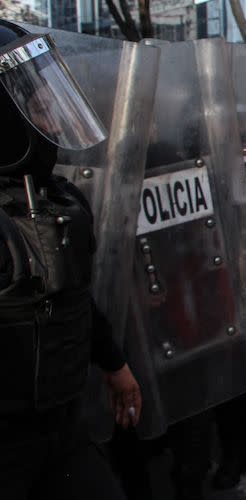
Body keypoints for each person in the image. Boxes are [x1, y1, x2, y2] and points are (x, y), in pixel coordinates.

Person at [0, 21, 141, 499]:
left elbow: (74, 295)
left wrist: (114, 363)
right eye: (35, 104)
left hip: (63, 426)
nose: (52, 118)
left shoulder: (59, 200)